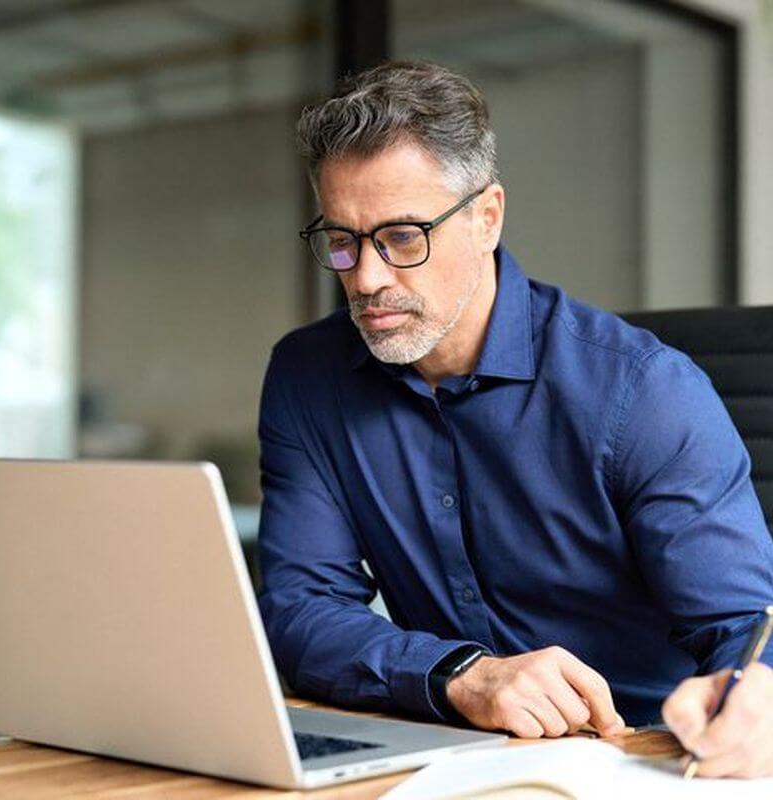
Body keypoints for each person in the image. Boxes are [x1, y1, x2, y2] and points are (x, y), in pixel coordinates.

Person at [257, 60, 773, 779]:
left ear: (487, 216)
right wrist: (460, 675)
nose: (367, 277)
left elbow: (747, 627)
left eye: (403, 237)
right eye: (341, 240)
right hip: (437, 751)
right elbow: (300, 609)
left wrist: (755, 702)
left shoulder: (643, 390)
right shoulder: (307, 379)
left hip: (640, 757)